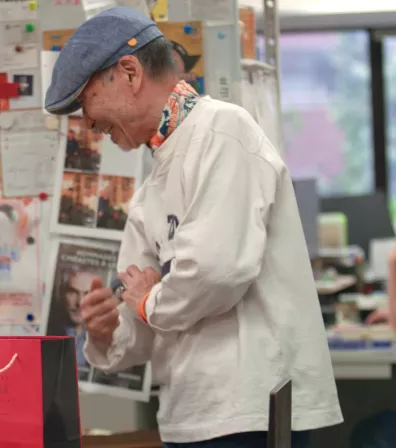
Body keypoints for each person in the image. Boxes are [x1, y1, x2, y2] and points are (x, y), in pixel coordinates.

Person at [44, 7, 342, 448]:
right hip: (188, 415)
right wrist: (107, 331)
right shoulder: (150, 191)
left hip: (251, 410)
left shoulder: (224, 131)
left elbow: (216, 272)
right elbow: (140, 322)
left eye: (87, 101)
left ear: (129, 73)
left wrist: (147, 301)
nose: (87, 123)